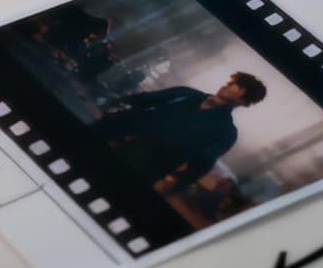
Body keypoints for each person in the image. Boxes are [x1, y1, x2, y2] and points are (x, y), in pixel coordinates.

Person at [93, 72, 268, 193]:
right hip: (107, 139)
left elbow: (200, 166)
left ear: (244, 101)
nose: (226, 86)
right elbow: (142, 100)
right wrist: (113, 110)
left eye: (235, 87)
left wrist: (172, 182)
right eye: (230, 83)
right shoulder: (185, 94)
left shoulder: (225, 133)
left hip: (139, 169)